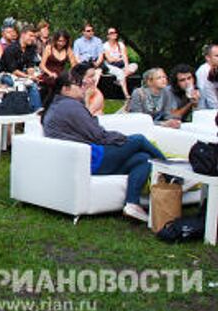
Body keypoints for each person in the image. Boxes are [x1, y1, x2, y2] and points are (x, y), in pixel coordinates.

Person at [42, 69, 168, 222]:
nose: (84, 86)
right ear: (65, 89)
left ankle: (132, 204)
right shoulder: (70, 107)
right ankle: (173, 173)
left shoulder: (60, 105)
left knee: (143, 158)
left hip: (83, 160)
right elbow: (99, 136)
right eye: (79, 84)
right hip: (93, 160)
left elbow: (90, 128)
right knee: (139, 140)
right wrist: (123, 139)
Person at [0, 25, 41, 111]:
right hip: (4, 74)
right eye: (30, 35)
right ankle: (28, 109)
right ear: (23, 35)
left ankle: (35, 111)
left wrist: (32, 76)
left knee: (33, 84)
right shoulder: (11, 49)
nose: (33, 38)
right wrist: (28, 77)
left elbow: (30, 66)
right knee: (21, 85)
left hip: (20, 74)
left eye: (34, 36)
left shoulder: (31, 48)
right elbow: (13, 70)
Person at [39, 29, 77, 96]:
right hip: (49, 74)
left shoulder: (68, 49)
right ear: (56, 40)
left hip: (61, 74)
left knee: (67, 83)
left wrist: (71, 73)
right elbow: (42, 65)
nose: (61, 43)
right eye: (59, 41)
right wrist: (50, 73)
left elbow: (73, 64)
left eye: (64, 41)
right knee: (52, 83)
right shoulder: (49, 48)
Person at [103, 27, 137, 100]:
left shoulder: (120, 44)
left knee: (134, 66)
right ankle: (126, 95)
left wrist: (127, 66)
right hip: (111, 66)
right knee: (120, 73)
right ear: (108, 36)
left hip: (121, 65)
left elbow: (125, 57)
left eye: (115, 32)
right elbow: (110, 60)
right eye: (111, 33)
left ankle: (119, 80)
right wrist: (119, 58)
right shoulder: (105, 45)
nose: (114, 34)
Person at [196, 43, 218, 109]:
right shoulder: (204, 71)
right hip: (207, 111)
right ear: (208, 57)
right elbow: (209, 97)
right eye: (217, 56)